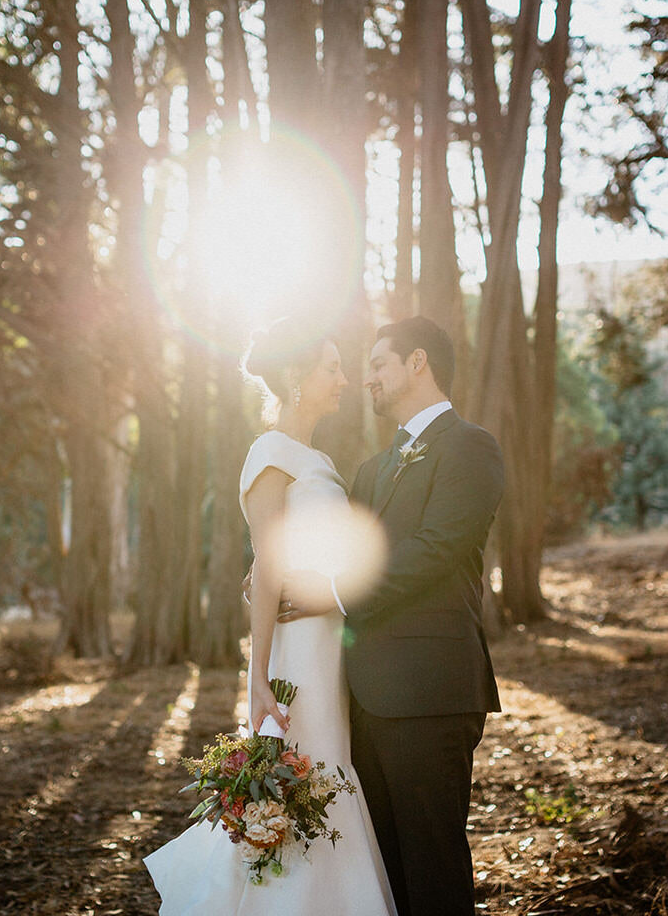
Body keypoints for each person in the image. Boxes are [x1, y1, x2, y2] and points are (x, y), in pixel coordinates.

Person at [144, 317, 397, 916]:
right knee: (304, 774)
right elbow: (266, 567)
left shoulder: (319, 458)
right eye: (331, 367)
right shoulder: (269, 453)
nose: (344, 379)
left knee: (329, 770)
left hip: (333, 640)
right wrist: (256, 675)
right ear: (295, 376)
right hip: (297, 652)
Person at [277, 315, 504, 916]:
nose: (366, 377)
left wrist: (338, 593)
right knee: (384, 878)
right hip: (362, 701)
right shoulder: (373, 470)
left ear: (417, 362)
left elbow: (435, 548)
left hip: (432, 693)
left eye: (378, 363)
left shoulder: (471, 446)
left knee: (434, 869)